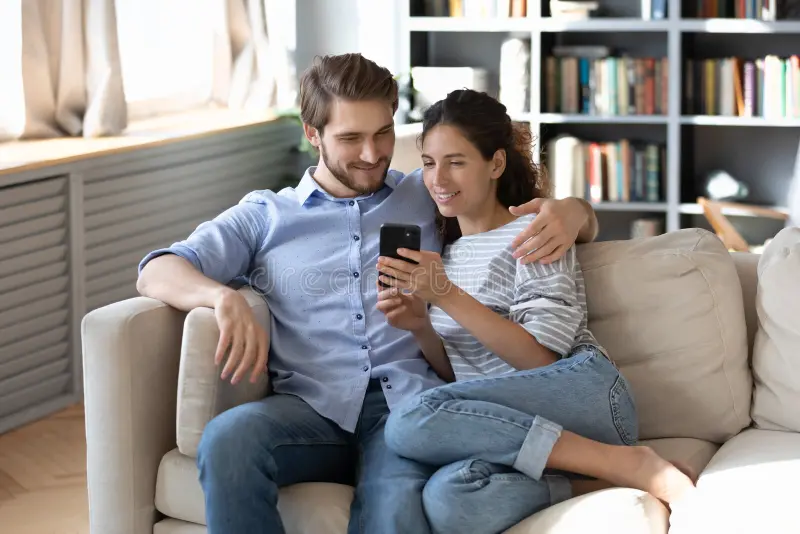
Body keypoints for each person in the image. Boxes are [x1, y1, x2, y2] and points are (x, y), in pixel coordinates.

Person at [136, 53, 600, 534]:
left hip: (406, 411)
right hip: (310, 411)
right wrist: (222, 298)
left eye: (382, 132)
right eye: (351, 138)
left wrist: (576, 210)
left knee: (393, 512)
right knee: (227, 439)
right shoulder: (266, 216)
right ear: (312, 133)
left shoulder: (428, 190)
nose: (374, 153)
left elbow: (516, 209)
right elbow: (156, 271)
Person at [376, 88, 696, 534]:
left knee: (407, 420)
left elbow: (541, 359)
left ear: (496, 164)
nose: (438, 178)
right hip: (522, 428)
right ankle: (603, 477)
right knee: (449, 498)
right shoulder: (443, 257)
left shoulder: (535, 232)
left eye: (456, 161)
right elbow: (467, 382)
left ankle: (628, 461)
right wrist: (420, 325)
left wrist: (447, 296)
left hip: (584, 394)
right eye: (428, 162)